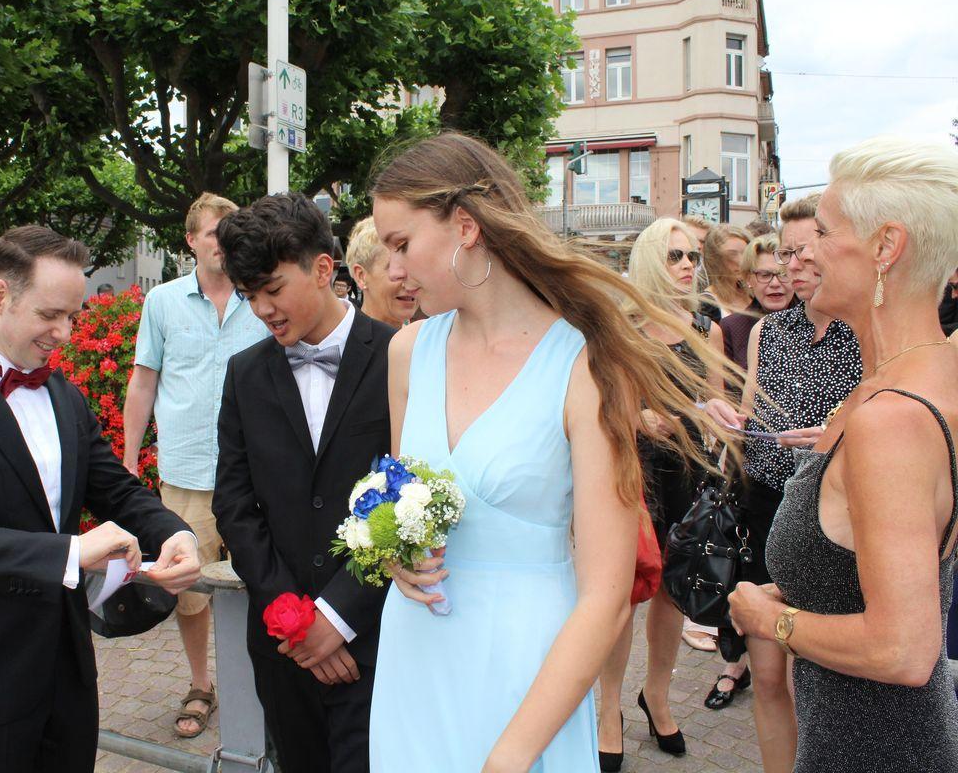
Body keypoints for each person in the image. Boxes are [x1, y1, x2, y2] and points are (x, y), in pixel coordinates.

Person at [367, 134, 730, 772]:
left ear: (466, 227)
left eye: (401, 243)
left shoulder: (585, 364)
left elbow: (606, 596)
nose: (392, 269)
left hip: (528, 671)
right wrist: (396, 555)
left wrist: (510, 757)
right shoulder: (406, 353)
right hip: (413, 657)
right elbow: (409, 504)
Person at [0, 225, 202, 773]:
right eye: (51, 315)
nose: (66, 333)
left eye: (73, 316)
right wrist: (71, 552)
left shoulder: (63, 395)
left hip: (67, 677)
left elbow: (114, 487)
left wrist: (174, 532)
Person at [730, 137, 958, 772]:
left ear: (886, 247)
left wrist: (771, 620)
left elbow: (902, 650)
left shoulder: (892, 418)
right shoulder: (919, 379)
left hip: (874, 750)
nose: (799, 257)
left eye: (823, 235)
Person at [213, 192, 394, 773]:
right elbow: (234, 506)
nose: (262, 310)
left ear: (322, 269)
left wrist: (337, 618)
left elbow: (411, 500)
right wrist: (296, 623)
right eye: (249, 296)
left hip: (379, 637)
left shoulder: (399, 357)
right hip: (283, 648)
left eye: (271, 289)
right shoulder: (244, 374)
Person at [700, 194, 862, 773]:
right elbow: (749, 416)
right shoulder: (768, 331)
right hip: (766, 508)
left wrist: (835, 437)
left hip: (836, 521)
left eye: (802, 251)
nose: (792, 266)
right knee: (768, 676)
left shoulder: (863, 330)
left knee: (811, 681)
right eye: (786, 253)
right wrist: (719, 414)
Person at [121, 192, 268, 738]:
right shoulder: (162, 302)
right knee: (190, 592)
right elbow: (144, 381)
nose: (223, 242)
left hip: (256, 476)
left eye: (231, 231)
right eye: (213, 233)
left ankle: (261, 686)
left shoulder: (261, 296)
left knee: (262, 582)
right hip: (186, 474)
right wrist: (129, 460)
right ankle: (201, 685)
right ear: (190, 241)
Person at [596, 217, 726, 770]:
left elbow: (716, 403)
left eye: (692, 255)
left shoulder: (706, 328)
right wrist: (639, 417)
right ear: (651, 259)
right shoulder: (622, 327)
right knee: (625, 595)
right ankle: (608, 709)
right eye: (675, 255)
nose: (687, 265)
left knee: (674, 591)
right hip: (635, 473)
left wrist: (718, 419)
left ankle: (657, 695)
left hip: (689, 476)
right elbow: (603, 404)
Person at [719, 234, 794, 369]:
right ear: (748, 279)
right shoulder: (732, 328)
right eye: (764, 275)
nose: (775, 283)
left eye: (783, 274)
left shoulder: (816, 321)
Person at [344, 216, 418, 328]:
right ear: (361, 276)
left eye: (415, 268)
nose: (412, 282)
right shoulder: (342, 337)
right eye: (396, 268)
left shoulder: (430, 336)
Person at [701, 224, 754, 320]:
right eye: (732, 254)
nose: (741, 261)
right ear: (715, 258)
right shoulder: (707, 304)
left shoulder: (753, 293)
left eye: (746, 253)